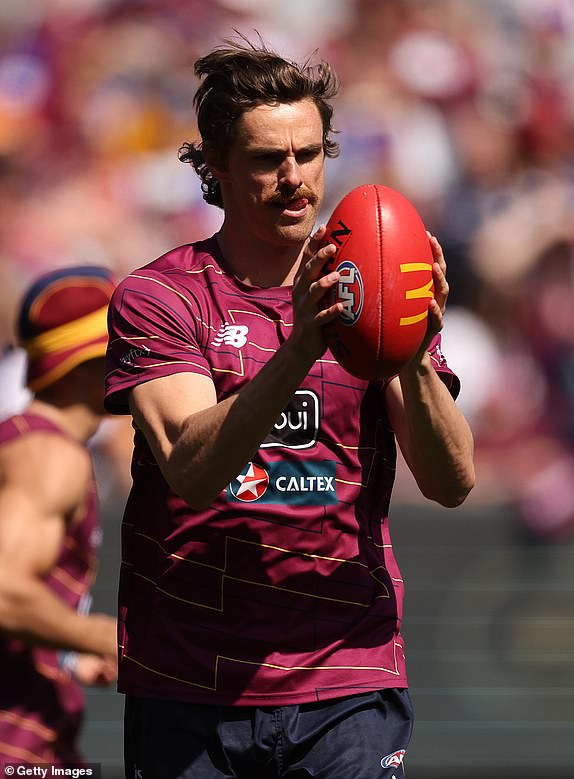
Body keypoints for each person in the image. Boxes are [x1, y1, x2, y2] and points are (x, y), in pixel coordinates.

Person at [105, 36, 475, 779]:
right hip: (190, 675)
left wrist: (409, 353)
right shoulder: (160, 297)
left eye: (309, 154)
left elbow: (451, 480)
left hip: (349, 671)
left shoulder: (371, 292)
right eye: (267, 159)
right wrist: (301, 345)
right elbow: (193, 469)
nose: (294, 179)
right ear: (214, 165)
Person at [0, 266, 118, 768]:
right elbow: (3, 591)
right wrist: (110, 637)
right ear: (92, 359)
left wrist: (70, 653)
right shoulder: (51, 455)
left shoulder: (32, 443)